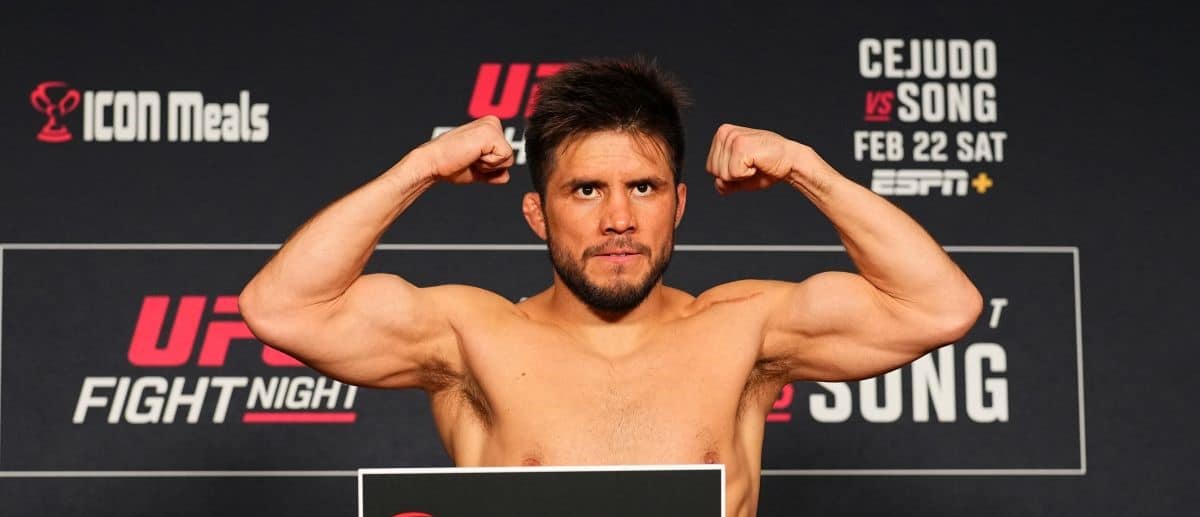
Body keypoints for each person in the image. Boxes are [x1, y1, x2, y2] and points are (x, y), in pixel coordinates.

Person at [239, 58, 982, 517]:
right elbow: (280, 307)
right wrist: (421, 168)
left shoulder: (745, 328)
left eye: (645, 186)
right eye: (587, 189)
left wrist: (804, 166)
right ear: (538, 212)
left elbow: (941, 304)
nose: (620, 218)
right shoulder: (470, 336)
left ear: (679, 204)